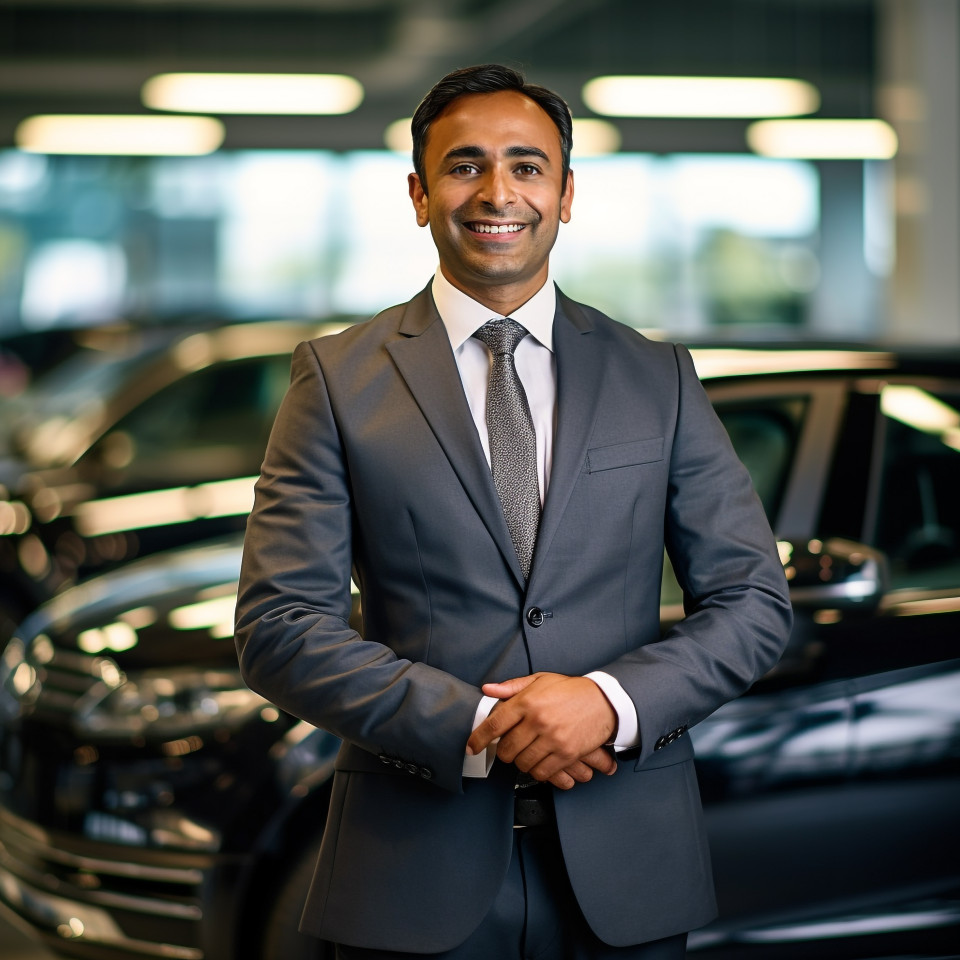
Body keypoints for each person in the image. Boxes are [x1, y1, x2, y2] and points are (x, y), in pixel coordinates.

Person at [235, 63, 792, 960]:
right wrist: (481, 725)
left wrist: (608, 705)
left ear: (567, 194)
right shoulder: (337, 379)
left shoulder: (658, 378)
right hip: (411, 867)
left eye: (528, 167)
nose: (498, 192)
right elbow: (280, 627)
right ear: (419, 194)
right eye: (465, 166)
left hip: (628, 867)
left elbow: (754, 605)